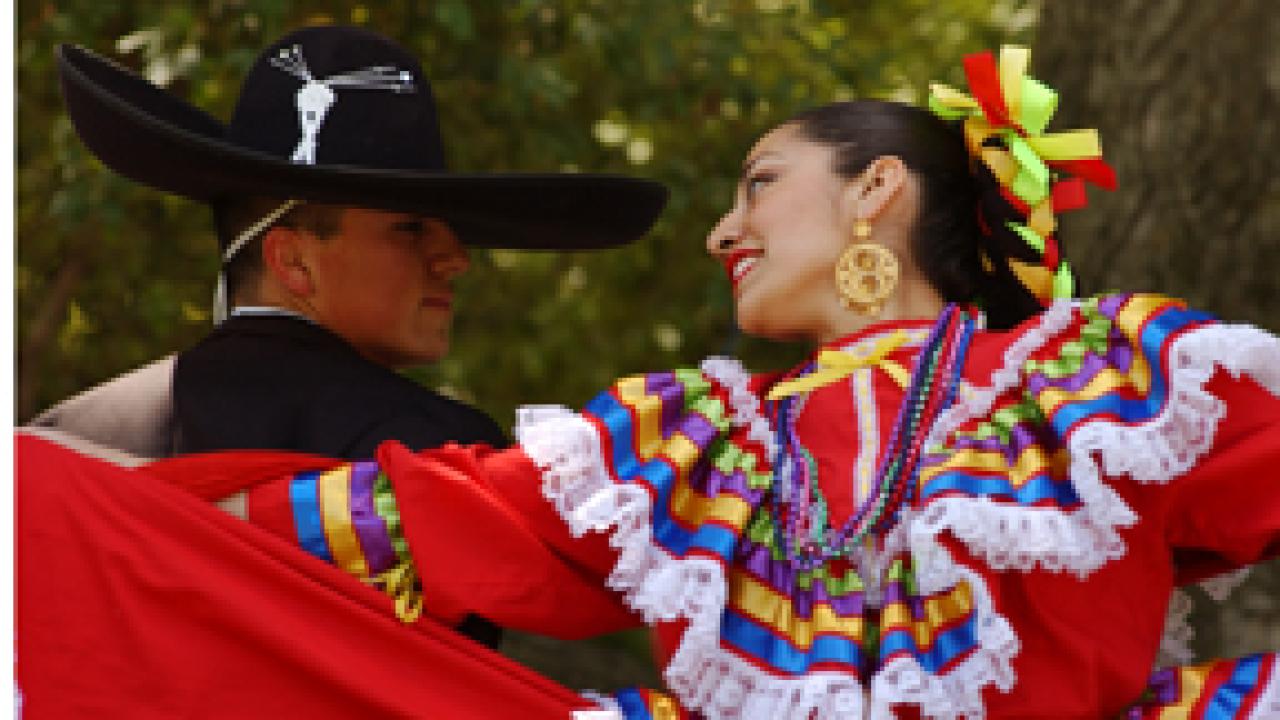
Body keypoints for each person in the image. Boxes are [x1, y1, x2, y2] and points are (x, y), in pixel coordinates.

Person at [181, 46, 1280, 718]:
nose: (722, 231)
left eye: (757, 184)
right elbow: (435, 513)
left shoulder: (1099, 387)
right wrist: (118, 512)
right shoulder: (685, 444)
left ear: (876, 189)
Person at [33, 25, 665, 650]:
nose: (455, 258)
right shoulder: (435, 456)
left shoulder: (62, 439)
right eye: (411, 229)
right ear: (293, 262)